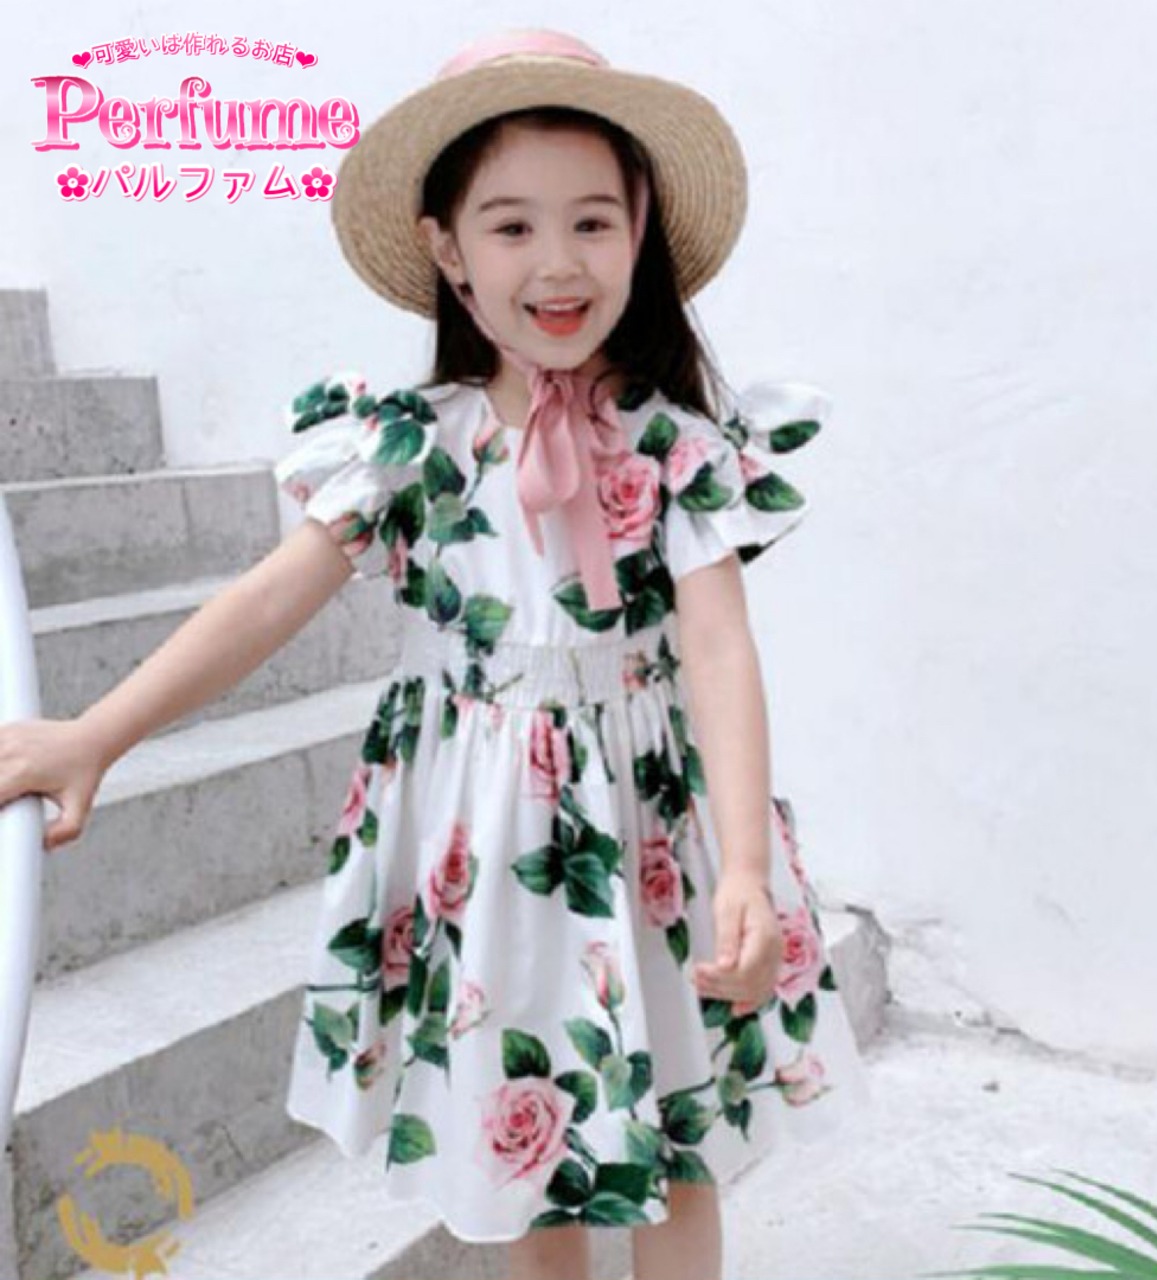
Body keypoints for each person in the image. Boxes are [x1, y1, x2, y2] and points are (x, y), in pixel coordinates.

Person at [0, 27, 872, 1280]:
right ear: (447, 247)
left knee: (676, 1135)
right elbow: (267, 602)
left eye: (592, 221)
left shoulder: (672, 444)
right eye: (511, 225)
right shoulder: (411, 445)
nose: (557, 261)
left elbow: (719, 648)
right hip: (486, 841)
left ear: (638, 234)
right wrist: (97, 733)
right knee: (523, 1145)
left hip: (648, 833)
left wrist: (742, 862)